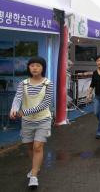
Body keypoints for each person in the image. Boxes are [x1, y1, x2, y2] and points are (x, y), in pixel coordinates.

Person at [9, 57, 54, 188]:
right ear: (29, 67)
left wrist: (25, 111)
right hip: (27, 122)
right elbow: (17, 98)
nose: (35, 68)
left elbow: (46, 103)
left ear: (43, 68)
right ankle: (35, 167)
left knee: (37, 147)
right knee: (30, 147)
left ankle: (34, 176)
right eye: (32, 65)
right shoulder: (23, 83)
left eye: (38, 66)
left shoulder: (48, 83)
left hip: (43, 120)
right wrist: (14, 109)